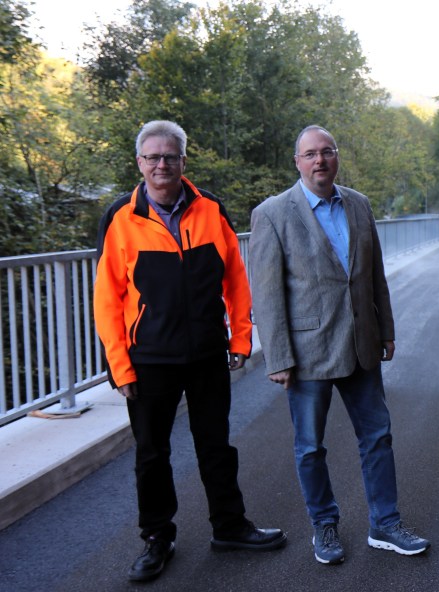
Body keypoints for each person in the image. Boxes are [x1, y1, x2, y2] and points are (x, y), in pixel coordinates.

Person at [93, 120, 286, 583]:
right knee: (151, 455)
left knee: (216, 446)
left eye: (171, 156)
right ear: (139, 163)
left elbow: (236, 280)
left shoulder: (210, 209)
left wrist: (241, 339)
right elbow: (106, 298)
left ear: (184, 160)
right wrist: (119, 367)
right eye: (153, 157)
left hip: (205, 353)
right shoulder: (121, 217)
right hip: (148, 358)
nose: (162, 164)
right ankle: (157, 538)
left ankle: (230, 526)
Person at [248, 125, 430, 566]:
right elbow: (267, 294)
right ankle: (324, 525)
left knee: (378, 437)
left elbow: (374, 277)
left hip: (361, 344)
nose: (319, 161)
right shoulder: (273, 213)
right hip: (308, 352)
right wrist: (277, 356)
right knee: (310, 446)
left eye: (327, 152)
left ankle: (385, 524)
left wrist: (385, 329)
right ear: (297, 162)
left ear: (337, 157)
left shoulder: (359, 205)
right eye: (310, 154)